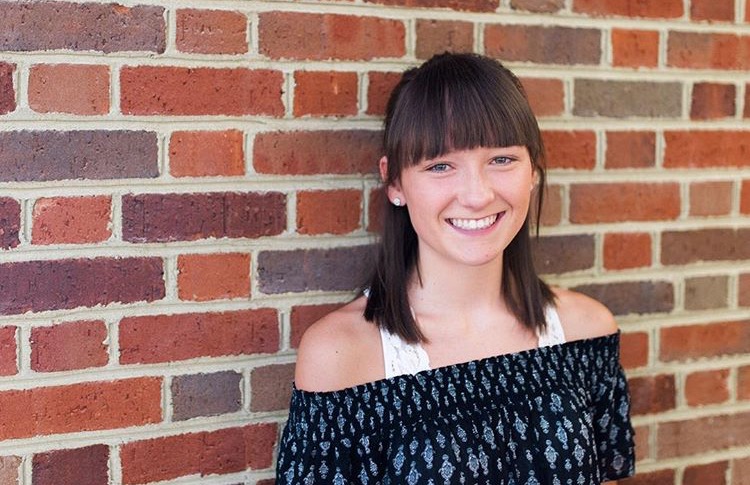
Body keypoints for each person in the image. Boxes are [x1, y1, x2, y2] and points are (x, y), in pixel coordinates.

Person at [276, 52, 635, 484]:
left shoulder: (586, 330)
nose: (477, 195)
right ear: (394, 183)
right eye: (441, 165)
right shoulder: (341, 355)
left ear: (533, 169)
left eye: (501, 159)